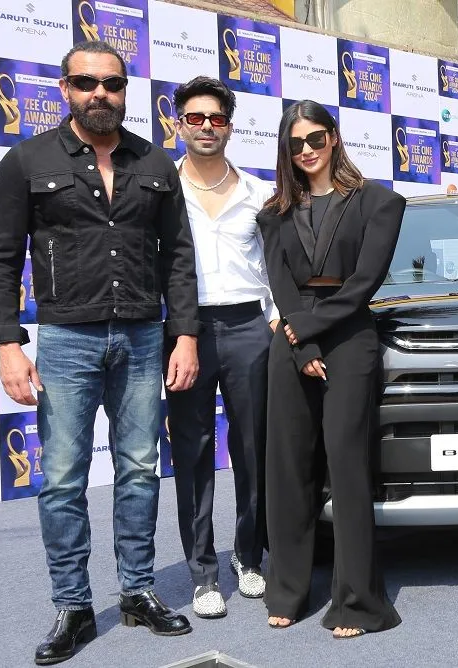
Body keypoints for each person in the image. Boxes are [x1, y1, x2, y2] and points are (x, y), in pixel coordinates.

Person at [0, 41, 199, 665]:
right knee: (65, 480)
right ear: (65, 88)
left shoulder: (154, 161)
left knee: (138, 471)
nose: (100, 92)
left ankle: (138, 592)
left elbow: (178, 257)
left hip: (143, 336)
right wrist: (9, 345)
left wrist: (183, 333)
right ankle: (73, 606)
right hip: (66, 339)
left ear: (126, 90)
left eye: (112, 83)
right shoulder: (27, 160)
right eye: (86, 82)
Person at [257, 100, 403, 638]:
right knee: (289, 469)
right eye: (295, 145)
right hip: (294, 342)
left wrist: (309, 330)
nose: (307, 152)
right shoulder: (272, 213)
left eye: (315, 139)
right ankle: (288, 591)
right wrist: (299, 344)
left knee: (346, 466)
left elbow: (365, 282)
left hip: (349, 338)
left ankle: (359, 603)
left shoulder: (379, 202)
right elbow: (281, 284)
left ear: (334, 137)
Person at [166, 76, 277, 619]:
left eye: (216, 118)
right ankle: (202, 572)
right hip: (184, 333)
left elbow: (278, 267)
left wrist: (276, 321)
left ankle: (249, 556)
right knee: (192, 452)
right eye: (195, 118)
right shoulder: (162, 188)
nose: (206, 127)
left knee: (253, 448)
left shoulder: (259, 193)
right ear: (179, 123)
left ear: (230, 126)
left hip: (249, 329)